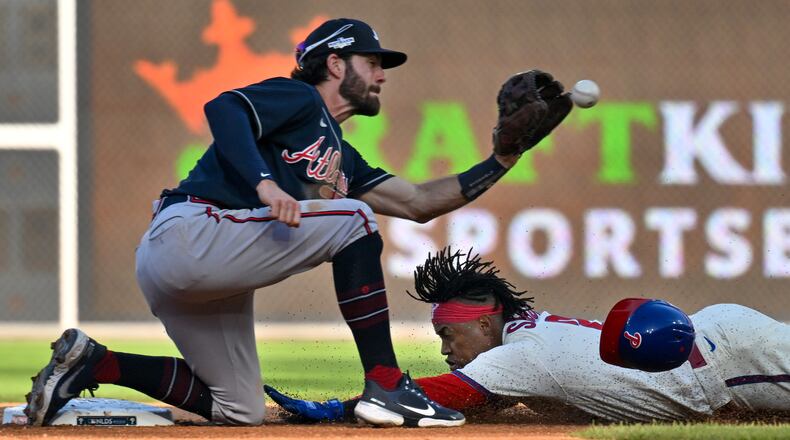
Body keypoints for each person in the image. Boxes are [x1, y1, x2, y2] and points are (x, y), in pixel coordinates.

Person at [23, 18, 572, 427]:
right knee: (354, 217)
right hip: (191, 232)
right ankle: (385, 384)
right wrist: (264, 183)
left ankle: (94, 362)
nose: (381, 74)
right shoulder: (297, 98)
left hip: (200, 267)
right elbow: (223, 108)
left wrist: (503, 159)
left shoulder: (342, 157)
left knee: (238, 407)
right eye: (372, 61)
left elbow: (418, 202)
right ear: (335, 63)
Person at [266, 247, 790, 423]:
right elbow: (483, 402)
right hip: (719, 346)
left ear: (485, 323)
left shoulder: (519, 357)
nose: (446, 349)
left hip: (728, 363)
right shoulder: (520, 343)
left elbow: (421, 399)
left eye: (451, 335)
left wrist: (343, 407)